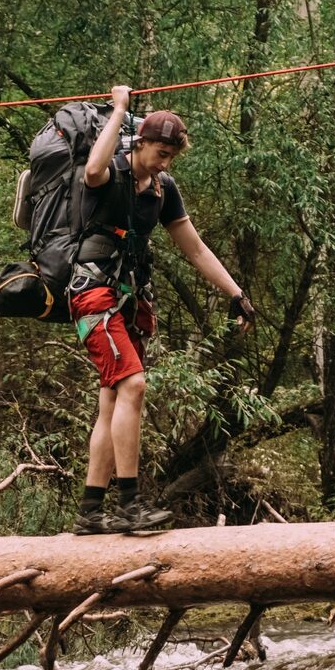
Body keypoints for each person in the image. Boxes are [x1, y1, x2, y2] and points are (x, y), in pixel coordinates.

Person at [70, 85, 255, 535]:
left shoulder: (163, 189)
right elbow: (92, 167)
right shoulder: (109, 172)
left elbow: (194, 249)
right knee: (133, 385)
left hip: (130, 300)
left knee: (112, 398)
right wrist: (119, 111)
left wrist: (237, 294)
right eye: (159, 152)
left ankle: (91, 512)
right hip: (92, 294)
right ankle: (131, 506)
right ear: (140, 143)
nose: (165, 162)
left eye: (172, 155)